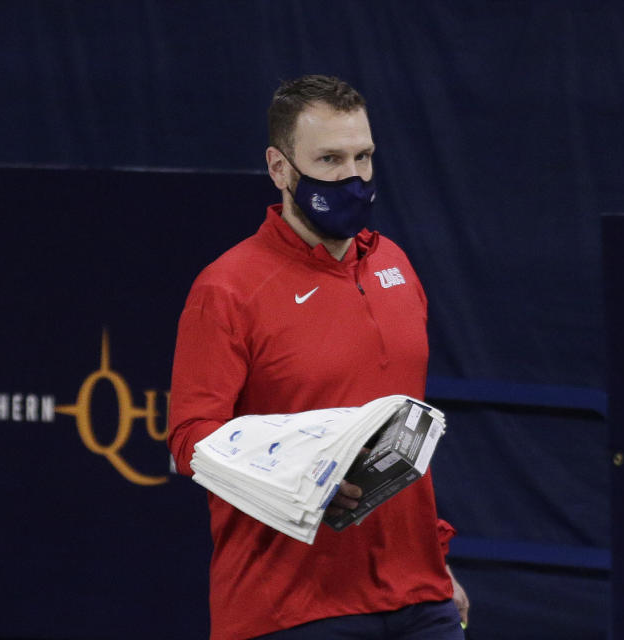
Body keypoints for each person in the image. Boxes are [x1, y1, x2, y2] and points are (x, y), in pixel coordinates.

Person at [168, 74, 469, 640]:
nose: (352, 177)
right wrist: (300, 476)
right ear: (279, 168)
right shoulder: (228, 289)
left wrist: (437, 560)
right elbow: (191, 440)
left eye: (364, 157)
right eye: (329, 159)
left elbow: (404, 442)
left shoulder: (397, 269)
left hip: (419, 597)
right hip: (290, 608)